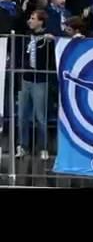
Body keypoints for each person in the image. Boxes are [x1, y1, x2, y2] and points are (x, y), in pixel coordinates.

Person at [16, 10, 55, 160]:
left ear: (41, 22)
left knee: (40, 116)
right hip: (26, 79)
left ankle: (43, 147)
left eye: (33, 19)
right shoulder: (26, 35)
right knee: (22, 116)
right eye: (30, 18)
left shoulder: (48, 38)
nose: (30, 21)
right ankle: (22, 146)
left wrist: (53, 40)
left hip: (40, 80)